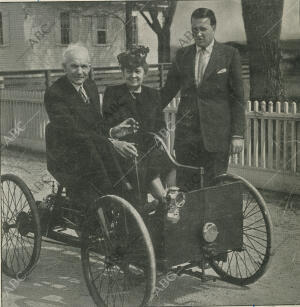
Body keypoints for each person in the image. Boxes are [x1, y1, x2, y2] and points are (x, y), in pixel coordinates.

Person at [44, 44, 142, 208]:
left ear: (89, 67)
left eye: (84, 66)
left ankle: (131, 202)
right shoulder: (55, 93)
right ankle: (120, 203)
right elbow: (73, 133)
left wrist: (113, 131)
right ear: (64, 67)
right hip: (67, 157)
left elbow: (95, 124)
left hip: (94, 148)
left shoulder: (90, 86)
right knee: (106, 174)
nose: (80, 72)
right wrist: (111, 143)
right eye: (74, 66)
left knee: (132, 158)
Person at [161, 8, 245, 189]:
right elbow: (167, 92)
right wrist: (143, 109)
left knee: (213, 188)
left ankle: (211, 219)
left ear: (214, 27)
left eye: (203, 29)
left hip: (216, 137)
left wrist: (237, 135)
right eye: (194, 29)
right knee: (186, 188)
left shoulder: (229, 55)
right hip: (187, 137)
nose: (198, 34)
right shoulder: (182, 56)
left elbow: (238, 98)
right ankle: (188, 218)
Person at [102, 45, 168, 204]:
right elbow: (105, 126)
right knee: (142, 167)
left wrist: (161, 136)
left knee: (171, 163)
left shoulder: (153, 95)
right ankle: (164, 203)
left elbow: (160, 125)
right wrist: (117, 138)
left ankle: (168, 201)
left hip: (150, 148)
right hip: (124, 150)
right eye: (129, 71)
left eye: (137, 71)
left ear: (144, 72)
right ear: (123, 72)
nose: (133, 76)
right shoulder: (113, 94)